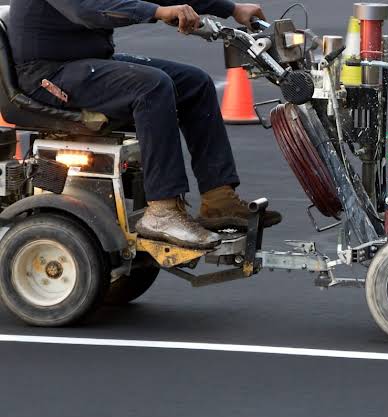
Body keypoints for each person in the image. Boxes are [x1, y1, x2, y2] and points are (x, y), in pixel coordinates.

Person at [7, 0, 283, 249]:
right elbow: (87, 10)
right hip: (48, 74)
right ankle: (163, 211)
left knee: (194, 83)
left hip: (85, 63)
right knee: (151, 87)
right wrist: (158, 12)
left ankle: (218, 199)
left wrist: (231, 9)